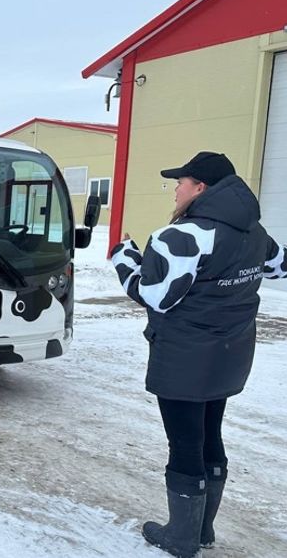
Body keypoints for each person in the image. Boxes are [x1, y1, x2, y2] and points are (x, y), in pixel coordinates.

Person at [110, 151, 287, 557]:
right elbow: (279, 267)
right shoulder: (254, 232)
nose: (176, 189)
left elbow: (156, 296)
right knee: (210, 434)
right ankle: (202, 529)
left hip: (184, 359)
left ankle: (182, 537)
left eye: (181, 182)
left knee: (185, 443)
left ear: (200, 187)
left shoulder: (182, 236)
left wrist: (125, 259)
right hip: (229, 354)